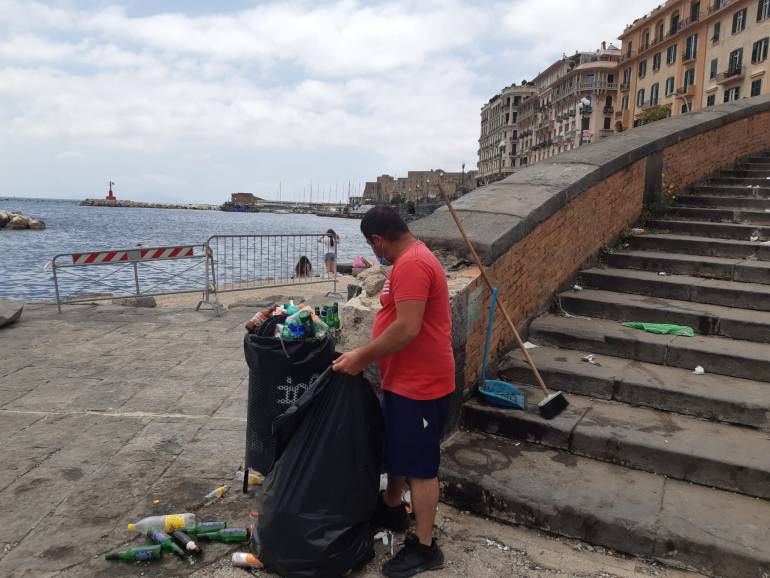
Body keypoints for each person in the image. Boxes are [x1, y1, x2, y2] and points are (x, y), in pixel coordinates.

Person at [333, 206, 453, 577]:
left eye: (373, 245)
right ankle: (391, 507)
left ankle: (425, 547)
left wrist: (359, 356)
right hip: (403, 380)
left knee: (420, 467)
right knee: (399, 452)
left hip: (421, 384)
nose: (375, 251)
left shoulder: (414, 264)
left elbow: (407, 328)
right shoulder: (406, 261)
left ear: (378, 239)